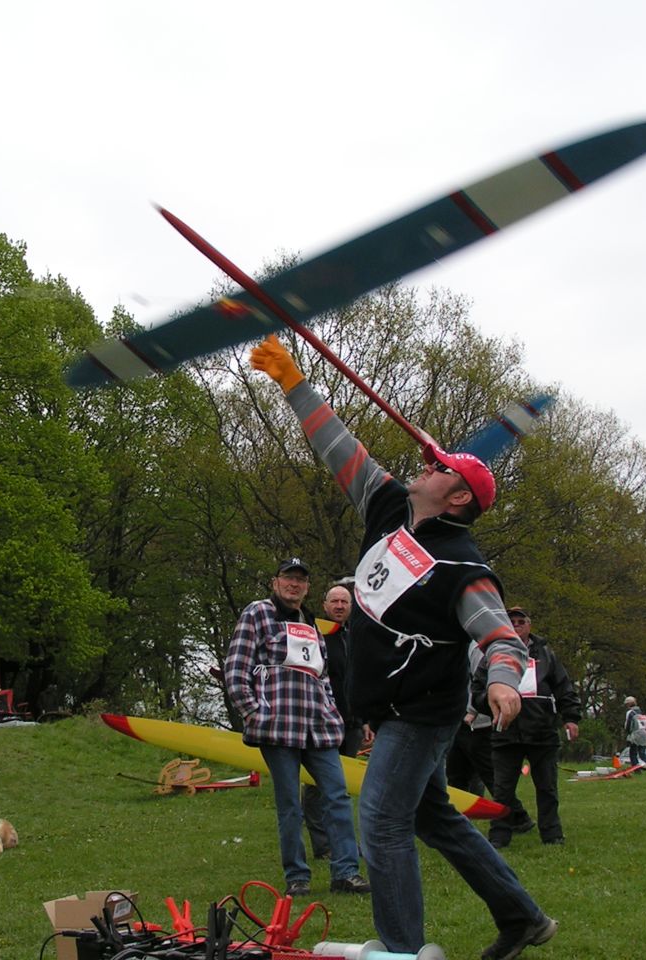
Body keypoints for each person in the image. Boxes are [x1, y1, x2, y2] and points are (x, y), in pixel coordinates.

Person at [251, 335, 555, 960]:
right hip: (387, 707)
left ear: (460, 497)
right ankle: (523, 918)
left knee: (383, 822)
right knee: (430, 817)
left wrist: (502, 678)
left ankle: (398, 951)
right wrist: (292, 380)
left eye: (440, 467)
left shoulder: (461, 565)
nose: (426, 462)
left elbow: (498, 633)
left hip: (423, 713)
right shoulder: (389, 507)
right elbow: (338, 446)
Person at [224, 559, 370, 897]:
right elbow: (236, 667)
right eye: (288, 578)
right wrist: (253, 713)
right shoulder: (257, 613)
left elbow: (323, 674)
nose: (294, 585)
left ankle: (346, 872)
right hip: (277, 726)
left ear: (307, 587)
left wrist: (333, 713)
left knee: (337, 796)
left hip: (318, 726)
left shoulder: (311, 623)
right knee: (289, 803)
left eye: (300, 580)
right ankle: (297, 876)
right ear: (276, 582)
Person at [476, 607, 581, 849]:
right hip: (506, 733)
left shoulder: (546, 654)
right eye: (511, 621)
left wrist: (571, 717)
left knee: (547, 787)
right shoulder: (491, 655)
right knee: (502, 791)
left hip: (542, 731)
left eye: (521, 621)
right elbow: (477, 692)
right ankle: (499, 837)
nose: (516, 625)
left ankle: (552, 835)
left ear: (529, 625)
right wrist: (493, 705)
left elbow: (563, 687)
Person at [301, 582, 372, 860]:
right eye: (335, 602)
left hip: (351, 724)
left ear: (351, 607)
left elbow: (360, 680)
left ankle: (343, 843)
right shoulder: (313, 635)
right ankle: (323, 845)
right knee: (317, 786)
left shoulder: (356, 636)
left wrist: (365, 718)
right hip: (320, 723)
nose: (339, 606)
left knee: (342, 788)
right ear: (325, 606)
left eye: (344, 602)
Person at [446, 641, 497, 798]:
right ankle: (458, 816)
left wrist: (472, 711)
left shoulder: (476, 646)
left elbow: (480, 680)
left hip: (476, 722)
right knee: (456, 774)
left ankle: (513, 816)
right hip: (455, 718)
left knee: (489, 774)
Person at [622, 696, 646, 770]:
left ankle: (636, 769)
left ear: (628, 704)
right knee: (642, 753)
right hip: (643, 733)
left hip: (635, 734)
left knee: (633, 753)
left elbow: (628, 724)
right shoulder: (640, 712)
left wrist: (628, 733)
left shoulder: (630, 712)